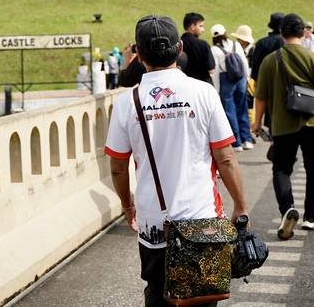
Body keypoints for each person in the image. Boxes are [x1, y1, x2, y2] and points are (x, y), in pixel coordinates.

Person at [106, 15, 250, 307]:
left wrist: (126, 206)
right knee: (203, 297)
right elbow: (225, 157)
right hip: (203, 219)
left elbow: (118, 166)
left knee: (158, 293)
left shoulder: (125, 103)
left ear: (139, 55)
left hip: (155, 224)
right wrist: (241, 206)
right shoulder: (204, 93)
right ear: (180, 47)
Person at [252, 14, 314, 239]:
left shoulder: (270, 60)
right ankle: (312, 216)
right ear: (303, 32)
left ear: (281, 33)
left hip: (282, 125)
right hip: (312, 122)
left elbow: (261, 97)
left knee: (281, 169)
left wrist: (257, 122)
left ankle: (287, 208)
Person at [209, 24, 254, 151]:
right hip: (240, 78)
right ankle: (247, 139)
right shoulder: (236, 45)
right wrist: (246, 79)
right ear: (226, 32)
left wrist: (216, 89)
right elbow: (244, 63)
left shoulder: (215, 49)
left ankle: (236, 142)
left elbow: (216, 71)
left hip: (225, 79)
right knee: (242, 108)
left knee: (229, 111)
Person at [179, 12, 215, 84]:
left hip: (183, 84)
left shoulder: (177, 43)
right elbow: (211, 70)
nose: (203, 29)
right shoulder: (203, 44)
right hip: (202, 84)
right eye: (201, 26)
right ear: (192, 26)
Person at [249, 12, 285, 82]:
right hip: (283, 84)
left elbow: (255, 68)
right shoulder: (289, 43)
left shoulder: (261, 43)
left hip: (264, 82)